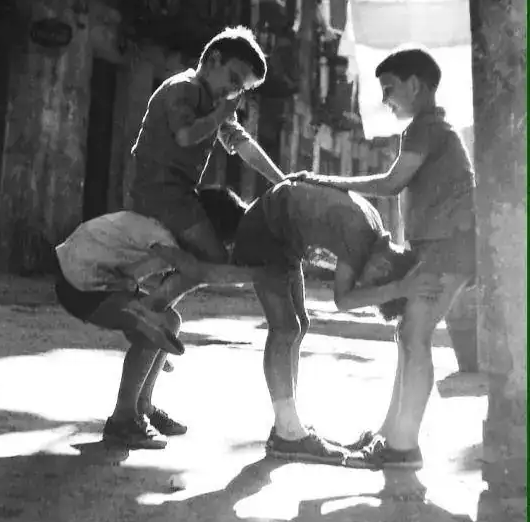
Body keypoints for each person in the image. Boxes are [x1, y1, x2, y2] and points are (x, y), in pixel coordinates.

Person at [289, 46, 476, 469]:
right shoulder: (431, 129)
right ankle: (389, 437)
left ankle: (403, 447)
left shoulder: (426, 128)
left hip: (450, 247)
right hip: (440, 247)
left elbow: (391, 184)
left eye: (390, 89)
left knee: (414, 336)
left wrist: (322, 180)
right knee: (407, 335)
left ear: (415, 85)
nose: (386, 100)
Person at [156, 179, 421, 464]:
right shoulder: (360, 238)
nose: (362, 284)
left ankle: (290, 424)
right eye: (371, 285)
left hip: (282, 233)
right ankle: (288, 432)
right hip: (266, 230)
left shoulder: (372, 225)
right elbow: (343, 299)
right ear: (384, 267)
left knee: (299, 324)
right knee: (284, 328)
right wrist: (399, 289)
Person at [54, 187, 254, 449]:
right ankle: (122, 420)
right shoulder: (159, 234)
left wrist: (155, 346)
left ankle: (142, 406)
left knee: (169, 322)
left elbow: (174, 289)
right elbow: (198, 272)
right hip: (79, 284)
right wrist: (257, 274)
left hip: (102, 281)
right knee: (154, 327)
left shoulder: (173, 235)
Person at [125, 25, 285, 322]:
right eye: (234, 79)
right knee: (213, 259)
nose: (234, 92)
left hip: (181, 195)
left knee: (206, 257)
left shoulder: (215, 104)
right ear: (213, 60)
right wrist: (219, 115)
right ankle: (150, 307)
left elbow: (241, 144)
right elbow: (185, 135)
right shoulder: (183, 88)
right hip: (158, 192)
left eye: (242, 89)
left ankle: (153, 305)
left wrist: (282, 182)